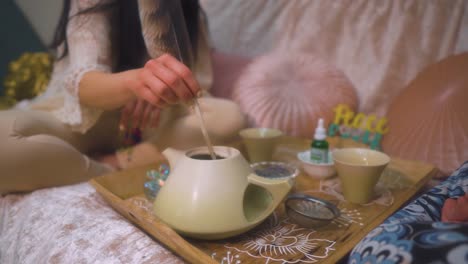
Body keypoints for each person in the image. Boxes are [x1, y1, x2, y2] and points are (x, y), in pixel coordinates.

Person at [0, 0, 246, 194]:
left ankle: (114, 164)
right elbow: (84, 83)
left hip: (149, 128)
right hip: (83, 121)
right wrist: (138, 83)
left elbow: (197, 86)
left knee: (228, 118)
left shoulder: (188, 9)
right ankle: (103, 170)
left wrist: (164, 93)